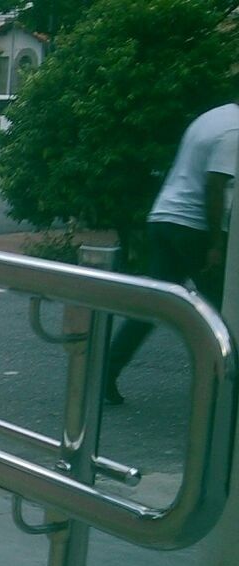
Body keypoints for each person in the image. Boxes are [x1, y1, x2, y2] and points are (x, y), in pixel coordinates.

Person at [105, 100, 239, 405]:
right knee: (226, 308)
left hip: (165, 217)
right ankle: (225, 383)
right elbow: (215, 186)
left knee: (154, 305)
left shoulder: (211, 116)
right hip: (194, 226)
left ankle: (108, 371)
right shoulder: (235, 131)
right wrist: (216, 245)